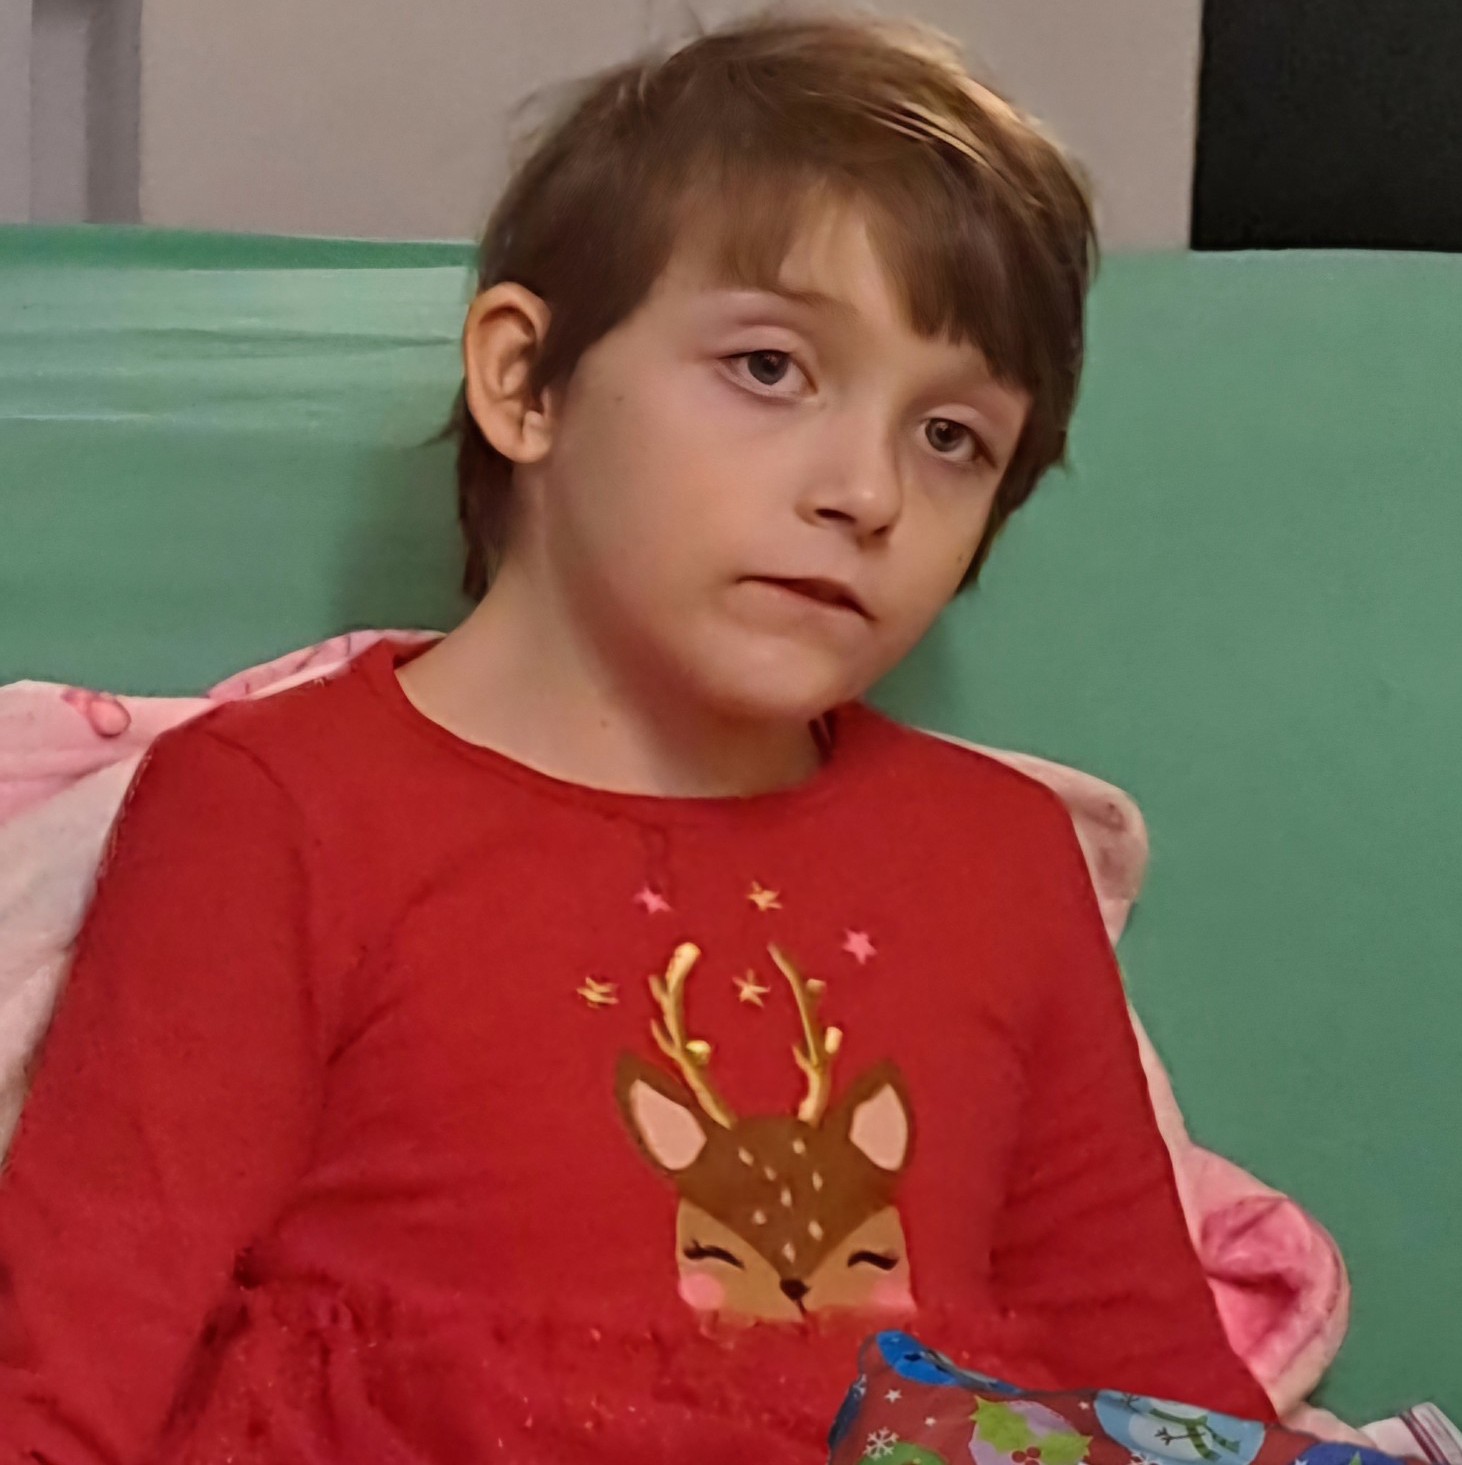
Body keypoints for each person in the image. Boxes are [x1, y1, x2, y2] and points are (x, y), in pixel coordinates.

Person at [0, 14, 1274, 1464]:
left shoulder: (999, 856)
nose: (866, 492)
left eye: (950, 438)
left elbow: (1164, 1403)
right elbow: (63, 1381)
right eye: (770, 368)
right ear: (524, 380)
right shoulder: (277, 810)